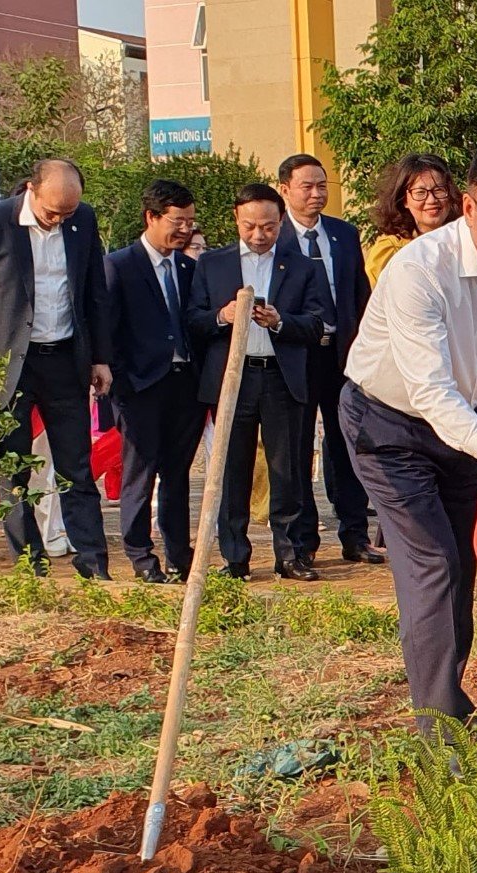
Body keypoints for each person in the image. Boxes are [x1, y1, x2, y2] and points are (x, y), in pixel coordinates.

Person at [343, 137, 477, 735]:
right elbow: (429, 391)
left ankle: (450, 702)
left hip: (463, 421)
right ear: (470, 208)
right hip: (385, 422)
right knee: (432, 561)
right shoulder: (418, 270)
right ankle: (435, 731)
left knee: (463, 559)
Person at [0, 158, 115, 578]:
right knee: (13, 468)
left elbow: (95, 292)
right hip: (7, 367)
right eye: (51, 212)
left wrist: (100, 357)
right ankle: (31, 565)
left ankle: (94, 564)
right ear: (30, 190)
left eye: (68, 213)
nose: (59, 219)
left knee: (76, 467)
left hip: (65, 360)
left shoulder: (83, 221)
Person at [187, 182, 332, 582]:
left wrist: (280, 321)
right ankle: (235, 557)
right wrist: (223, 316)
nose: (258, 235)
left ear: (280, 221)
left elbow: (318, 322)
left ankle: (290, 555)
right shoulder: (212, 264)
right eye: (250, 226)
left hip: (280, 379)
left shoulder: (302, 266)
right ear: (236, 218)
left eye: (268, 227)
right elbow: (193, 321)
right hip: (232, 379)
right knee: (231, 469)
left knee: (287, 470)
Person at [278, 154, 382, 566]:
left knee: (348, 444)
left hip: (343, 357)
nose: (317, 193)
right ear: (285, 189)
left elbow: (359, 296)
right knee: (297, 449)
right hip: (296, 356)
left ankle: (354, 535)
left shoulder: (342, 234)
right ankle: (302, 543)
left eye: (322, 185)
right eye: (307, 186)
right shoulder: (276, 238)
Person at [103, 179, 202, 583]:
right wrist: (121, 380)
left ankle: (180, 553)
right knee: (140, 474)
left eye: (190, 222)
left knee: (178, 473)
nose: (184, 230)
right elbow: (107, 330)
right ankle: (141, 556)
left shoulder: (191, 268)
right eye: (177, 222)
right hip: (141, 387)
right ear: (152, 217)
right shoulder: (119, 265)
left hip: (185, 385)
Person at [365, 155, 461, 287]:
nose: (431, 200)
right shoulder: (391, 250)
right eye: (420, 192)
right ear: (404, 200)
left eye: (439, 190)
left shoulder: (465, 242)